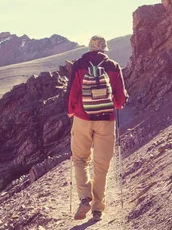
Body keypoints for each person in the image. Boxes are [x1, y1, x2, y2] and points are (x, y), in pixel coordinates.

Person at [67, 35, 128, 221]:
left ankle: (85, 197)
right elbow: (120, 99)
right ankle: (97, 208)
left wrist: (71, 112)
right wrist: (117, 103)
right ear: (104, 49)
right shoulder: (113, 66)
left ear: (90, 47)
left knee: (80, 159)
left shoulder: (79, 65)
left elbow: (72, 93)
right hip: (106, 120)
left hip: (82, 118)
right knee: (101, 165)